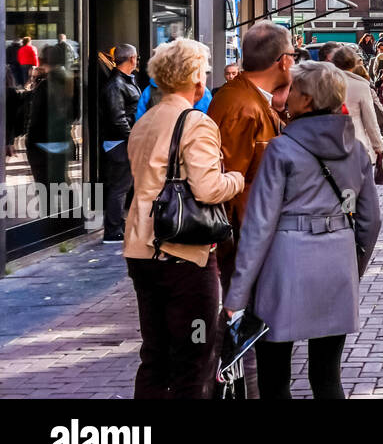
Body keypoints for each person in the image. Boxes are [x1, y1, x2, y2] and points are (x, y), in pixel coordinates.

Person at [225, 61, 381, 400]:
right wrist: (354, 268)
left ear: (307, 101)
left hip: (286, 269)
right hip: (337, 266)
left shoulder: (281, 149)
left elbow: (259, 226)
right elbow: (370, 221)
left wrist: (237, 294)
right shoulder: (354, 149)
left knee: (275, 378)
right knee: (327, 376)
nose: (287, 95)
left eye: (293, 91)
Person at [124, 38, 245, 398]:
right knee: (195, 357)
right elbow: (208, 188)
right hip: (182, 252)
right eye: (203, 72)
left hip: (140, 248)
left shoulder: (145, 122)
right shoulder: (196, 122)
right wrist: (237, 178)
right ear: (195, 77)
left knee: (155, 355)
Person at [205, 21, 294, 289]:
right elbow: (231, 187)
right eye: (293, 55)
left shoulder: (252, 100)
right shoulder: (241, 105)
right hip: (250, 247)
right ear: (283, 61)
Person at [99, 43, 140, 243]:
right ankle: (113, 230)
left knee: (122, 186)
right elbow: (118, 118)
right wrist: (133, 138)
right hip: (119, 144)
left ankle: (116, 225)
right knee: (120, 187)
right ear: (132, 59)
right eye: (137, 58)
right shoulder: (116, 84)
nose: (137, 61)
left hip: (122, 142)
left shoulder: (123, 81)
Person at [25, 45, 78, 192]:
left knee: (46, 190)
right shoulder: (71, 82)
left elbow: (35, 118)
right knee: (61, 184)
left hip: (43, 143)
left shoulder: (44, 86)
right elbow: (75, 113)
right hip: (61, 140)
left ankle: (60, 213)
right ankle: (70, 212)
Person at [331, 45, 383, 165]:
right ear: (353, 64)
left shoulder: (324, 83)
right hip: (356, 143)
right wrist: (378, 147)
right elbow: (370, 120)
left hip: (329, 145)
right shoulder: (361, 86)